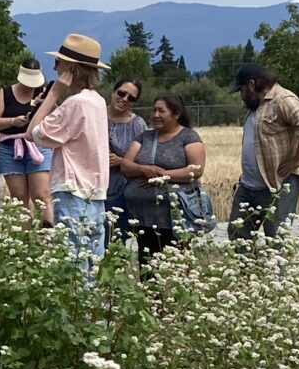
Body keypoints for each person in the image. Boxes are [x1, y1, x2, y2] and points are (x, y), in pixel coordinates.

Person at [29, 32, 112, 276]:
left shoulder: (76, 103)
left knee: (72, 267)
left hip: (72, 190)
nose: (54, 66)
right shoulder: (96, 101)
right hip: (95, 194)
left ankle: (77, 313)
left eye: (59, 62)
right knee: (92, 266)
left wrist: (53, 94)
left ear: (71, 69)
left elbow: (33, 133)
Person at [229, 62, 299, 239]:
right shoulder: (257, 106)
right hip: (249, 185)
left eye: (241, 90)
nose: (241, 95)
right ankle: (248, 267)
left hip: (278, 184)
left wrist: (296, 161)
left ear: (251, 85)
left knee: (276, 239)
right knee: (237, 234)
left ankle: (275, 268)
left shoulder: (283, 100)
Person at [115, 93, 209, 261]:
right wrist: (143, 169)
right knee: (147, 262)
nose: (156, 115)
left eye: (161, 111)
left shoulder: (188, 137)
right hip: (143, 216)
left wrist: (162, 175)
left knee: (176, 263)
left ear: (176, 114)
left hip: (174, 216)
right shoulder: (145, 137)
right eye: (154, 110)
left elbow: (196, 170)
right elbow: (126, 165)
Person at [0, 58, 54, 224]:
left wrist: (47, 105)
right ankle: (23, 240)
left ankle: (48, 236)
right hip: (10, 148)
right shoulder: (5, 93)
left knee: (41, 195)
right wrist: (12, 121)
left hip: (37, 147)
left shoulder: (43, 93)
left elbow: (56, 116)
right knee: (19, 197)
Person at [102, 72, 144, 241]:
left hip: (121, 189)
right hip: (90, 184)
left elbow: (144, 158)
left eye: (131, 98)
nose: (124, 99)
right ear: (113, 92)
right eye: (121, 93)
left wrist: (121, 162)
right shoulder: (95, 114)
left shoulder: (138, 124)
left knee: (115, 239)